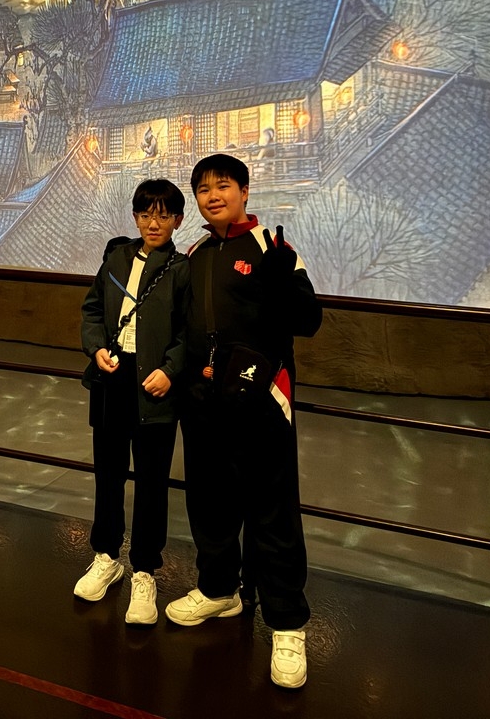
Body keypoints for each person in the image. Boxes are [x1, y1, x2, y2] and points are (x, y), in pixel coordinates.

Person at [164, 153, 322, 690]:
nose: (213, 196)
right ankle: (218, 590)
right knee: (209, 501)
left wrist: (283, 282)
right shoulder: (196, 253)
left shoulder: (272, 249)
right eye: (203, 189)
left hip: (262, 400)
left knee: (272, 510)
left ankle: (287, 622)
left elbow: (309, 321)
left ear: (245, 191)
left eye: (223, 186)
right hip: (204, 402)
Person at [76, 179, 191, 625]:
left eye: (163, 215)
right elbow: (91, 310)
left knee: (151, 482)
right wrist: (95, 349)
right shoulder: (116, 257)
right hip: (112, 377)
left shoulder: (181, 269)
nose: (153, 223)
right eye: (145, 214)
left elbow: (190, 332)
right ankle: (106, 557)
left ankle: (144, 570)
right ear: (135, 217)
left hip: (154, 384)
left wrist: (172, 369)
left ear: (178, 220)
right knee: (107, 474)